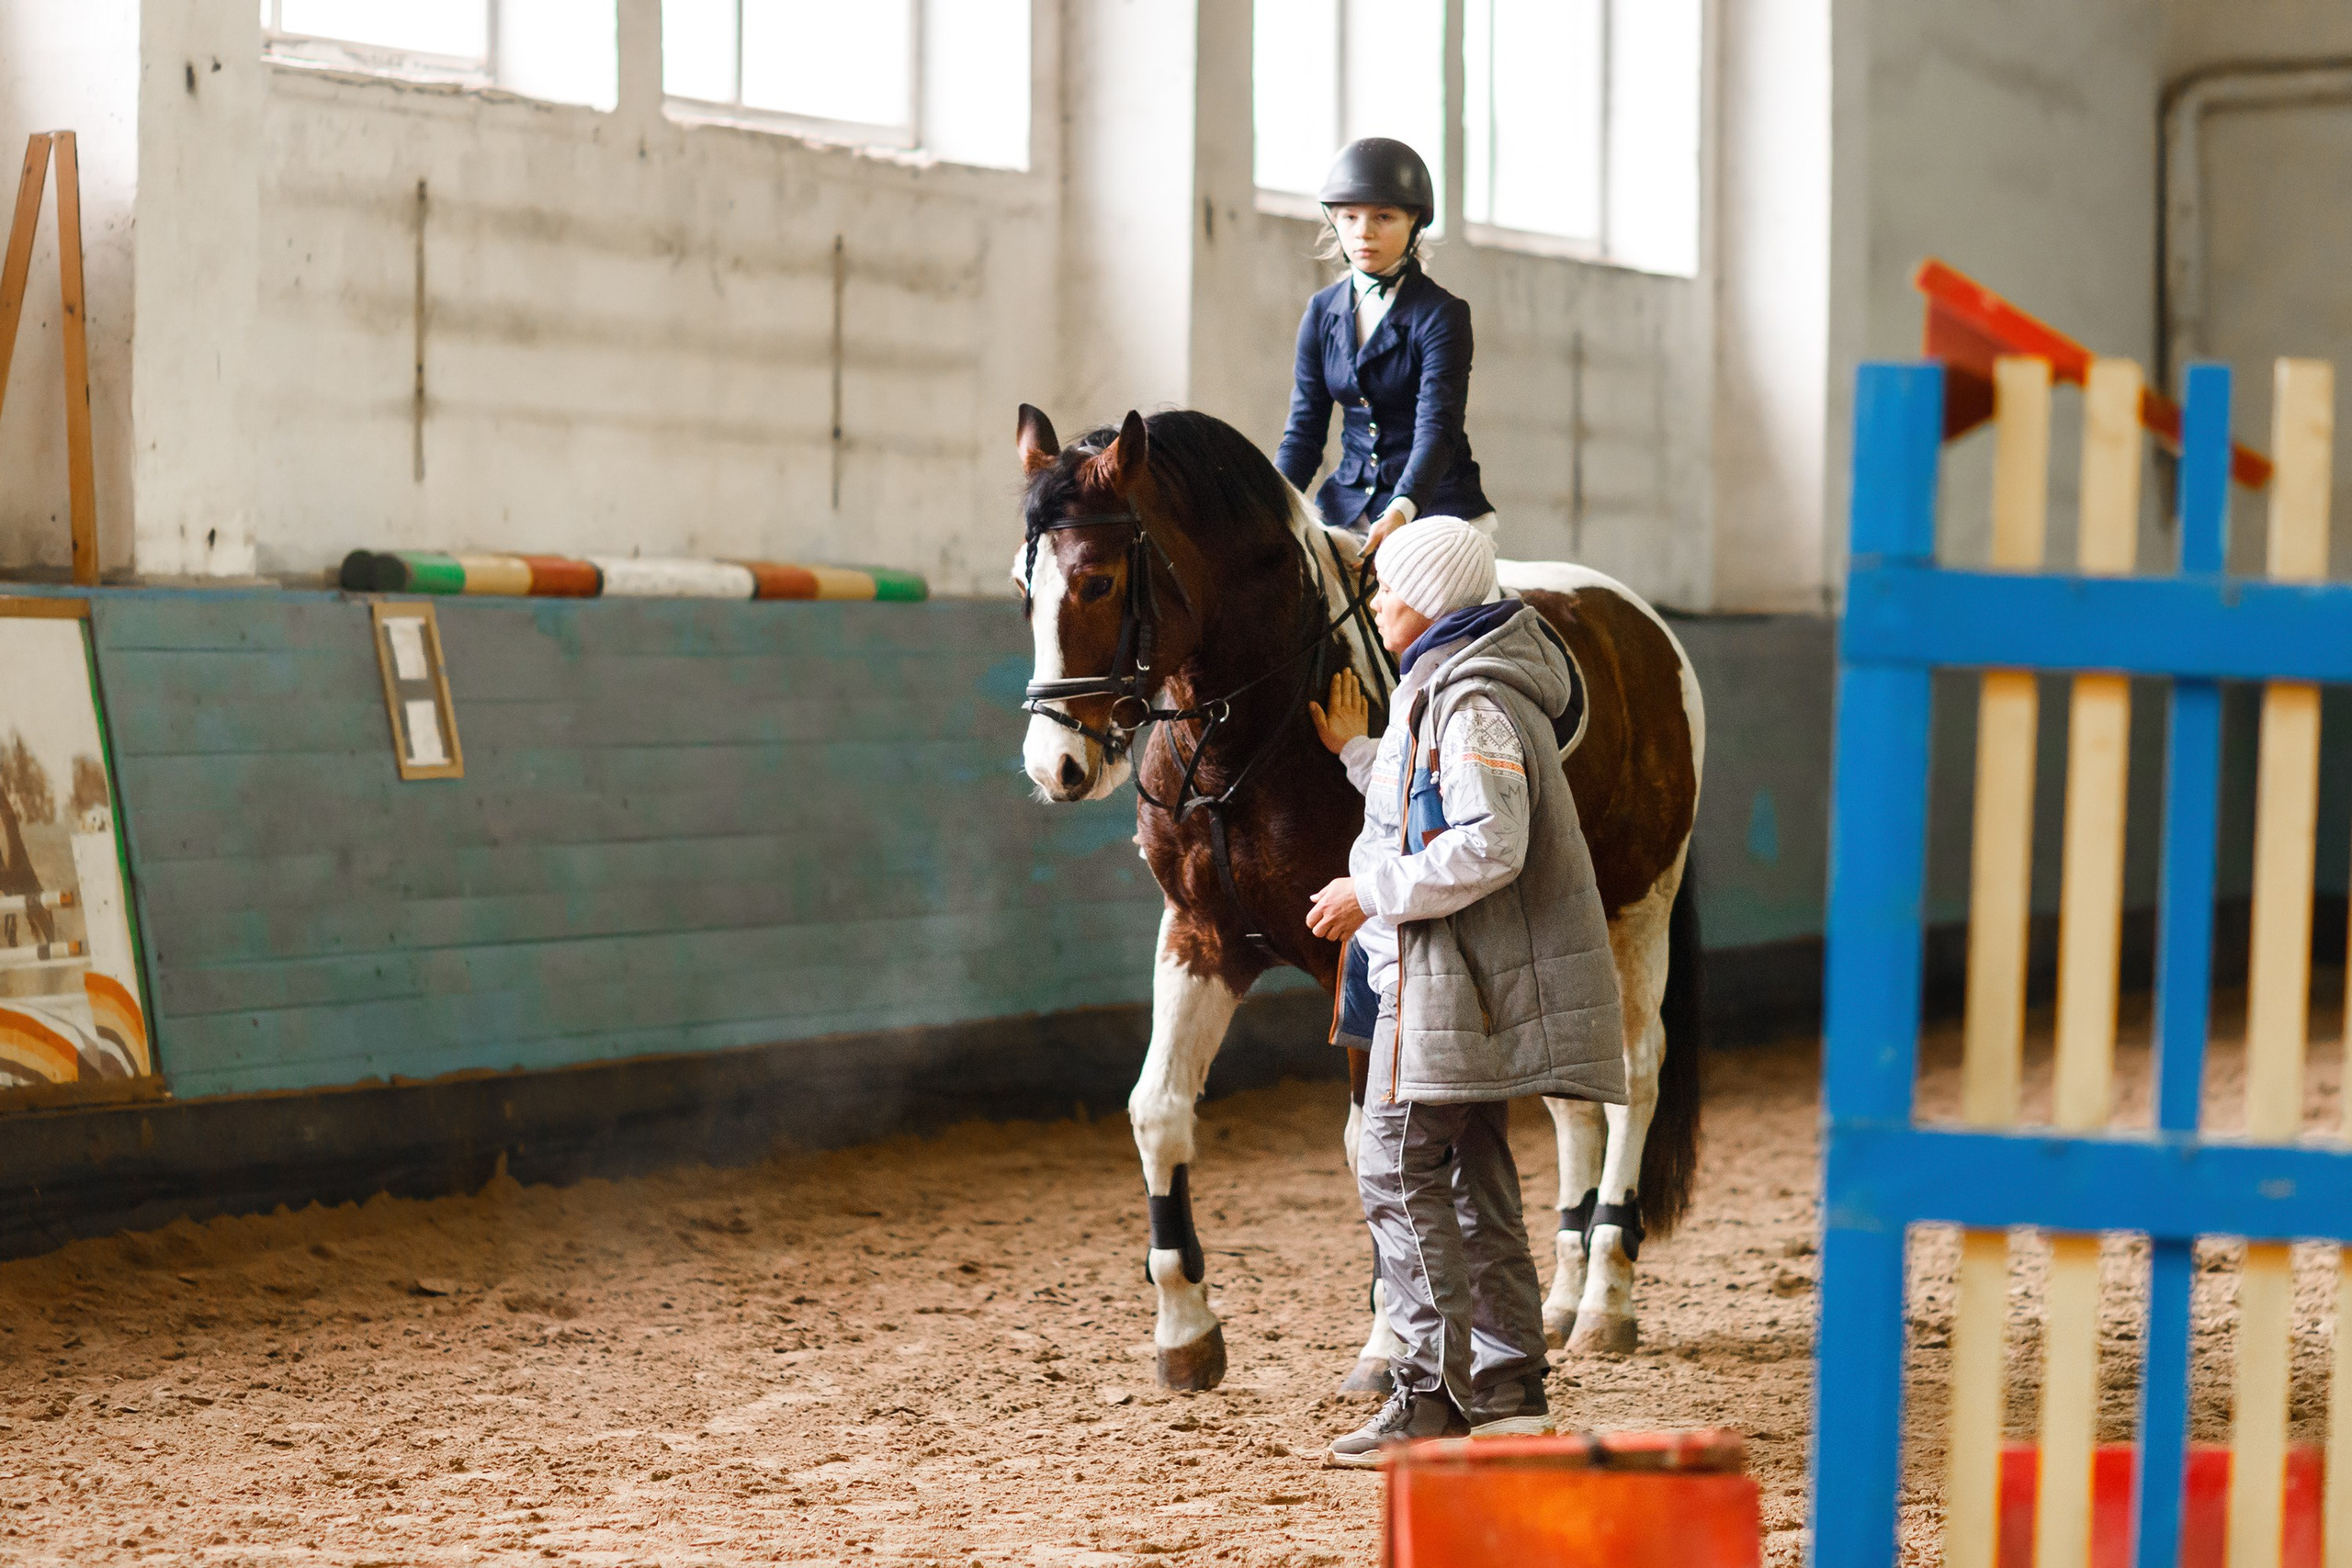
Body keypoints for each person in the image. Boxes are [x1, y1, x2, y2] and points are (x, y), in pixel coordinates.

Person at [1302, 518, 1626, 1466]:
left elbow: (1491, 841)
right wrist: (1358, 754)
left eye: (1391, 588)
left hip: (1448, 985)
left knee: (1395, 1167)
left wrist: (1368, 893)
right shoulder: (1447, 685)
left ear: (1435, 598)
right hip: (1450, 982)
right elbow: (1426, 792)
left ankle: (1426, 1394)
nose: (1377, 604)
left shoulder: (1473, 698)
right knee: (1472, 1175)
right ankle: (1509, 1387)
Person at [1274, 138, 1495, 552]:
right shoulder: (1321, 311)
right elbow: (1304, 433)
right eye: (1349, 217)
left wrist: (1402, 508)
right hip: (1346, 507)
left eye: (1384, 216)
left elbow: (1437, 427)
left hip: (1434, 508)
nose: (1364, 232)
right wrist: (1268, 503)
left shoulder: (1442, 315)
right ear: (1334, 221)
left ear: (1415, 222)